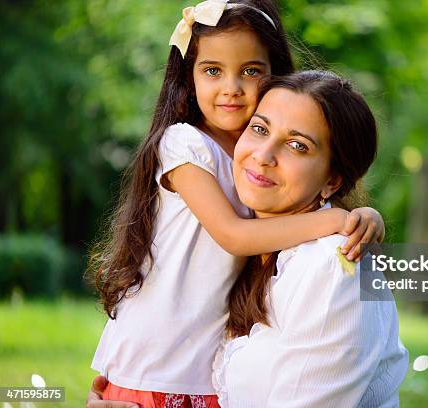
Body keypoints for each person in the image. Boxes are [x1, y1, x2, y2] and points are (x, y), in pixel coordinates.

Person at [89, 1, 385, 407]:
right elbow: (235, 235)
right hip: (159, 360)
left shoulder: (259, 151)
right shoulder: (185, 144)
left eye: (250, 71)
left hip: (205, 365)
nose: (231, 88)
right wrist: (335, 219)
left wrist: (359, 217)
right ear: (188, 77)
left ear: (273, 75)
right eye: (212, 70)